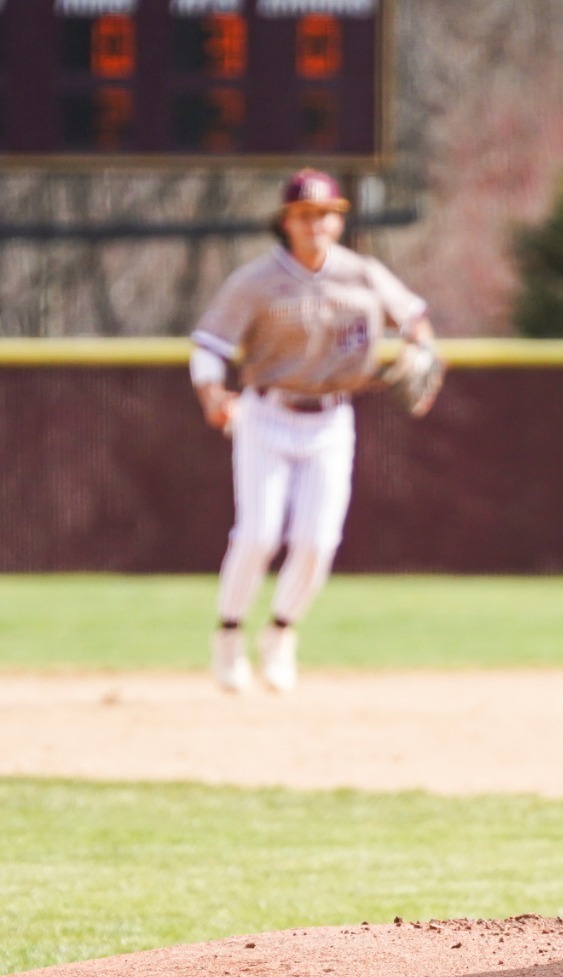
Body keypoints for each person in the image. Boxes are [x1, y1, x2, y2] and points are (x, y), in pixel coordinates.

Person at [189, 169, 436, 693]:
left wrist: (421, 348)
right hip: (266, 413)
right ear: (286, 221)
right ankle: (229, 636)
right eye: (304, 214)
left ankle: (281, 633)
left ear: (339, 220)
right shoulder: (256, 281)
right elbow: (208, 345)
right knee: (258, 535)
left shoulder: (362, 274)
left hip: (331, 418)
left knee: (317, 542)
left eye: (325, 213)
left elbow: (415, 318)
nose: (315, 223)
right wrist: (212, 393)